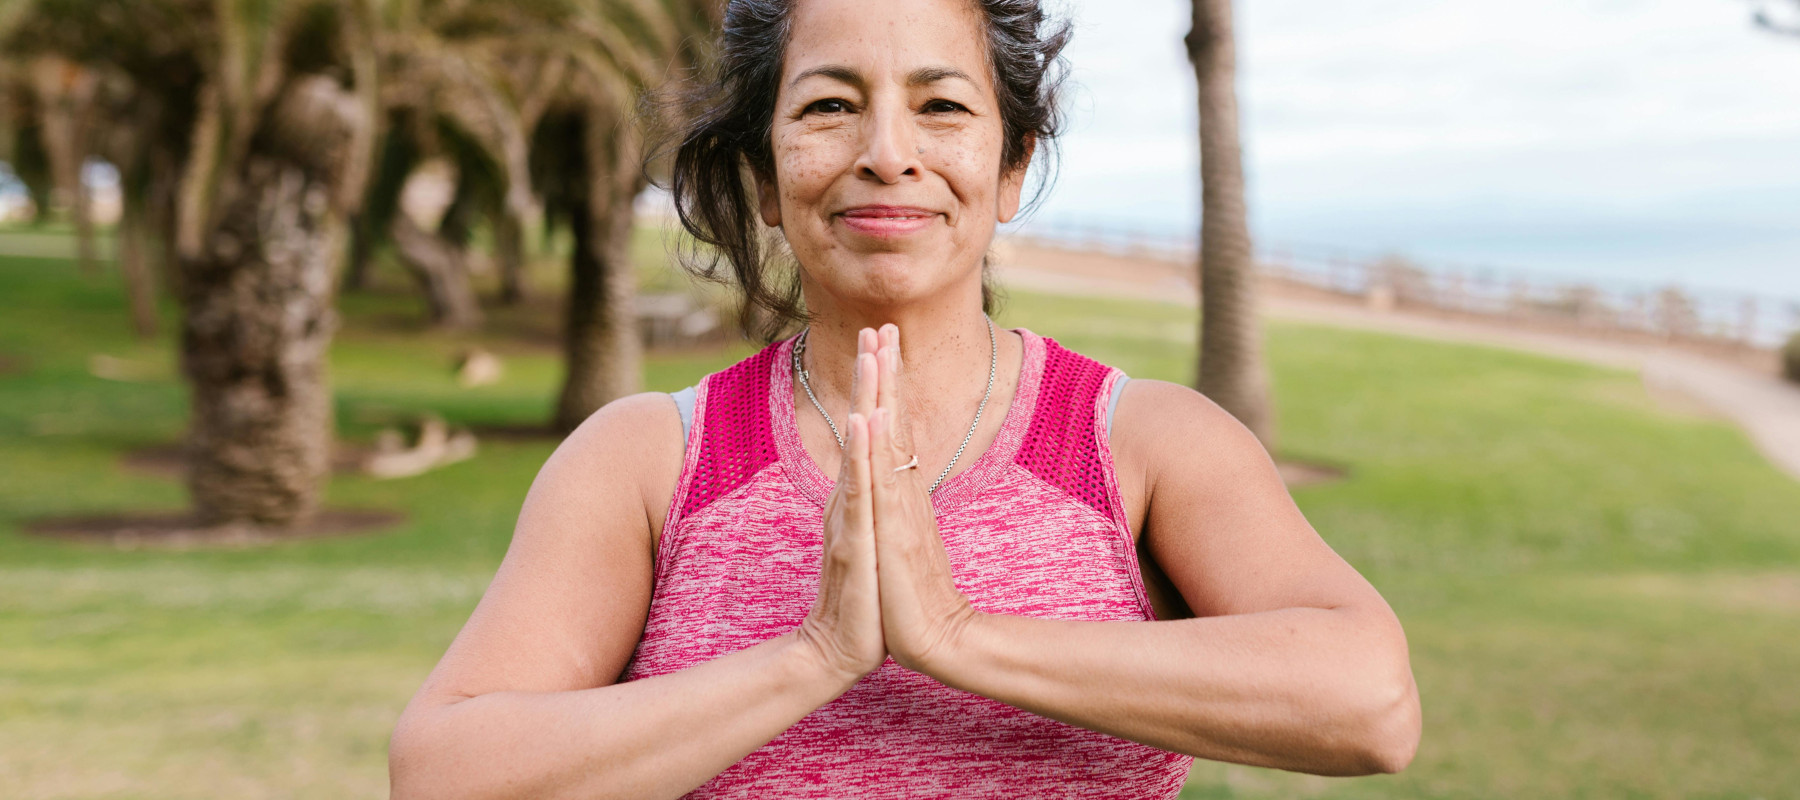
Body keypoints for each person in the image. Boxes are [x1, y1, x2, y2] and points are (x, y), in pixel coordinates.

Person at [387, 0, 1421, 797]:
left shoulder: (1140, 446)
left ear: (1013, 165)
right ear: (760, 177)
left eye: (942, 105)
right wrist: (817, 654)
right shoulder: (650, 461)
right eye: (830, 105)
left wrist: (960, 635)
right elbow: (446, 767)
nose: (888, 151)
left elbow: (1371, 699)